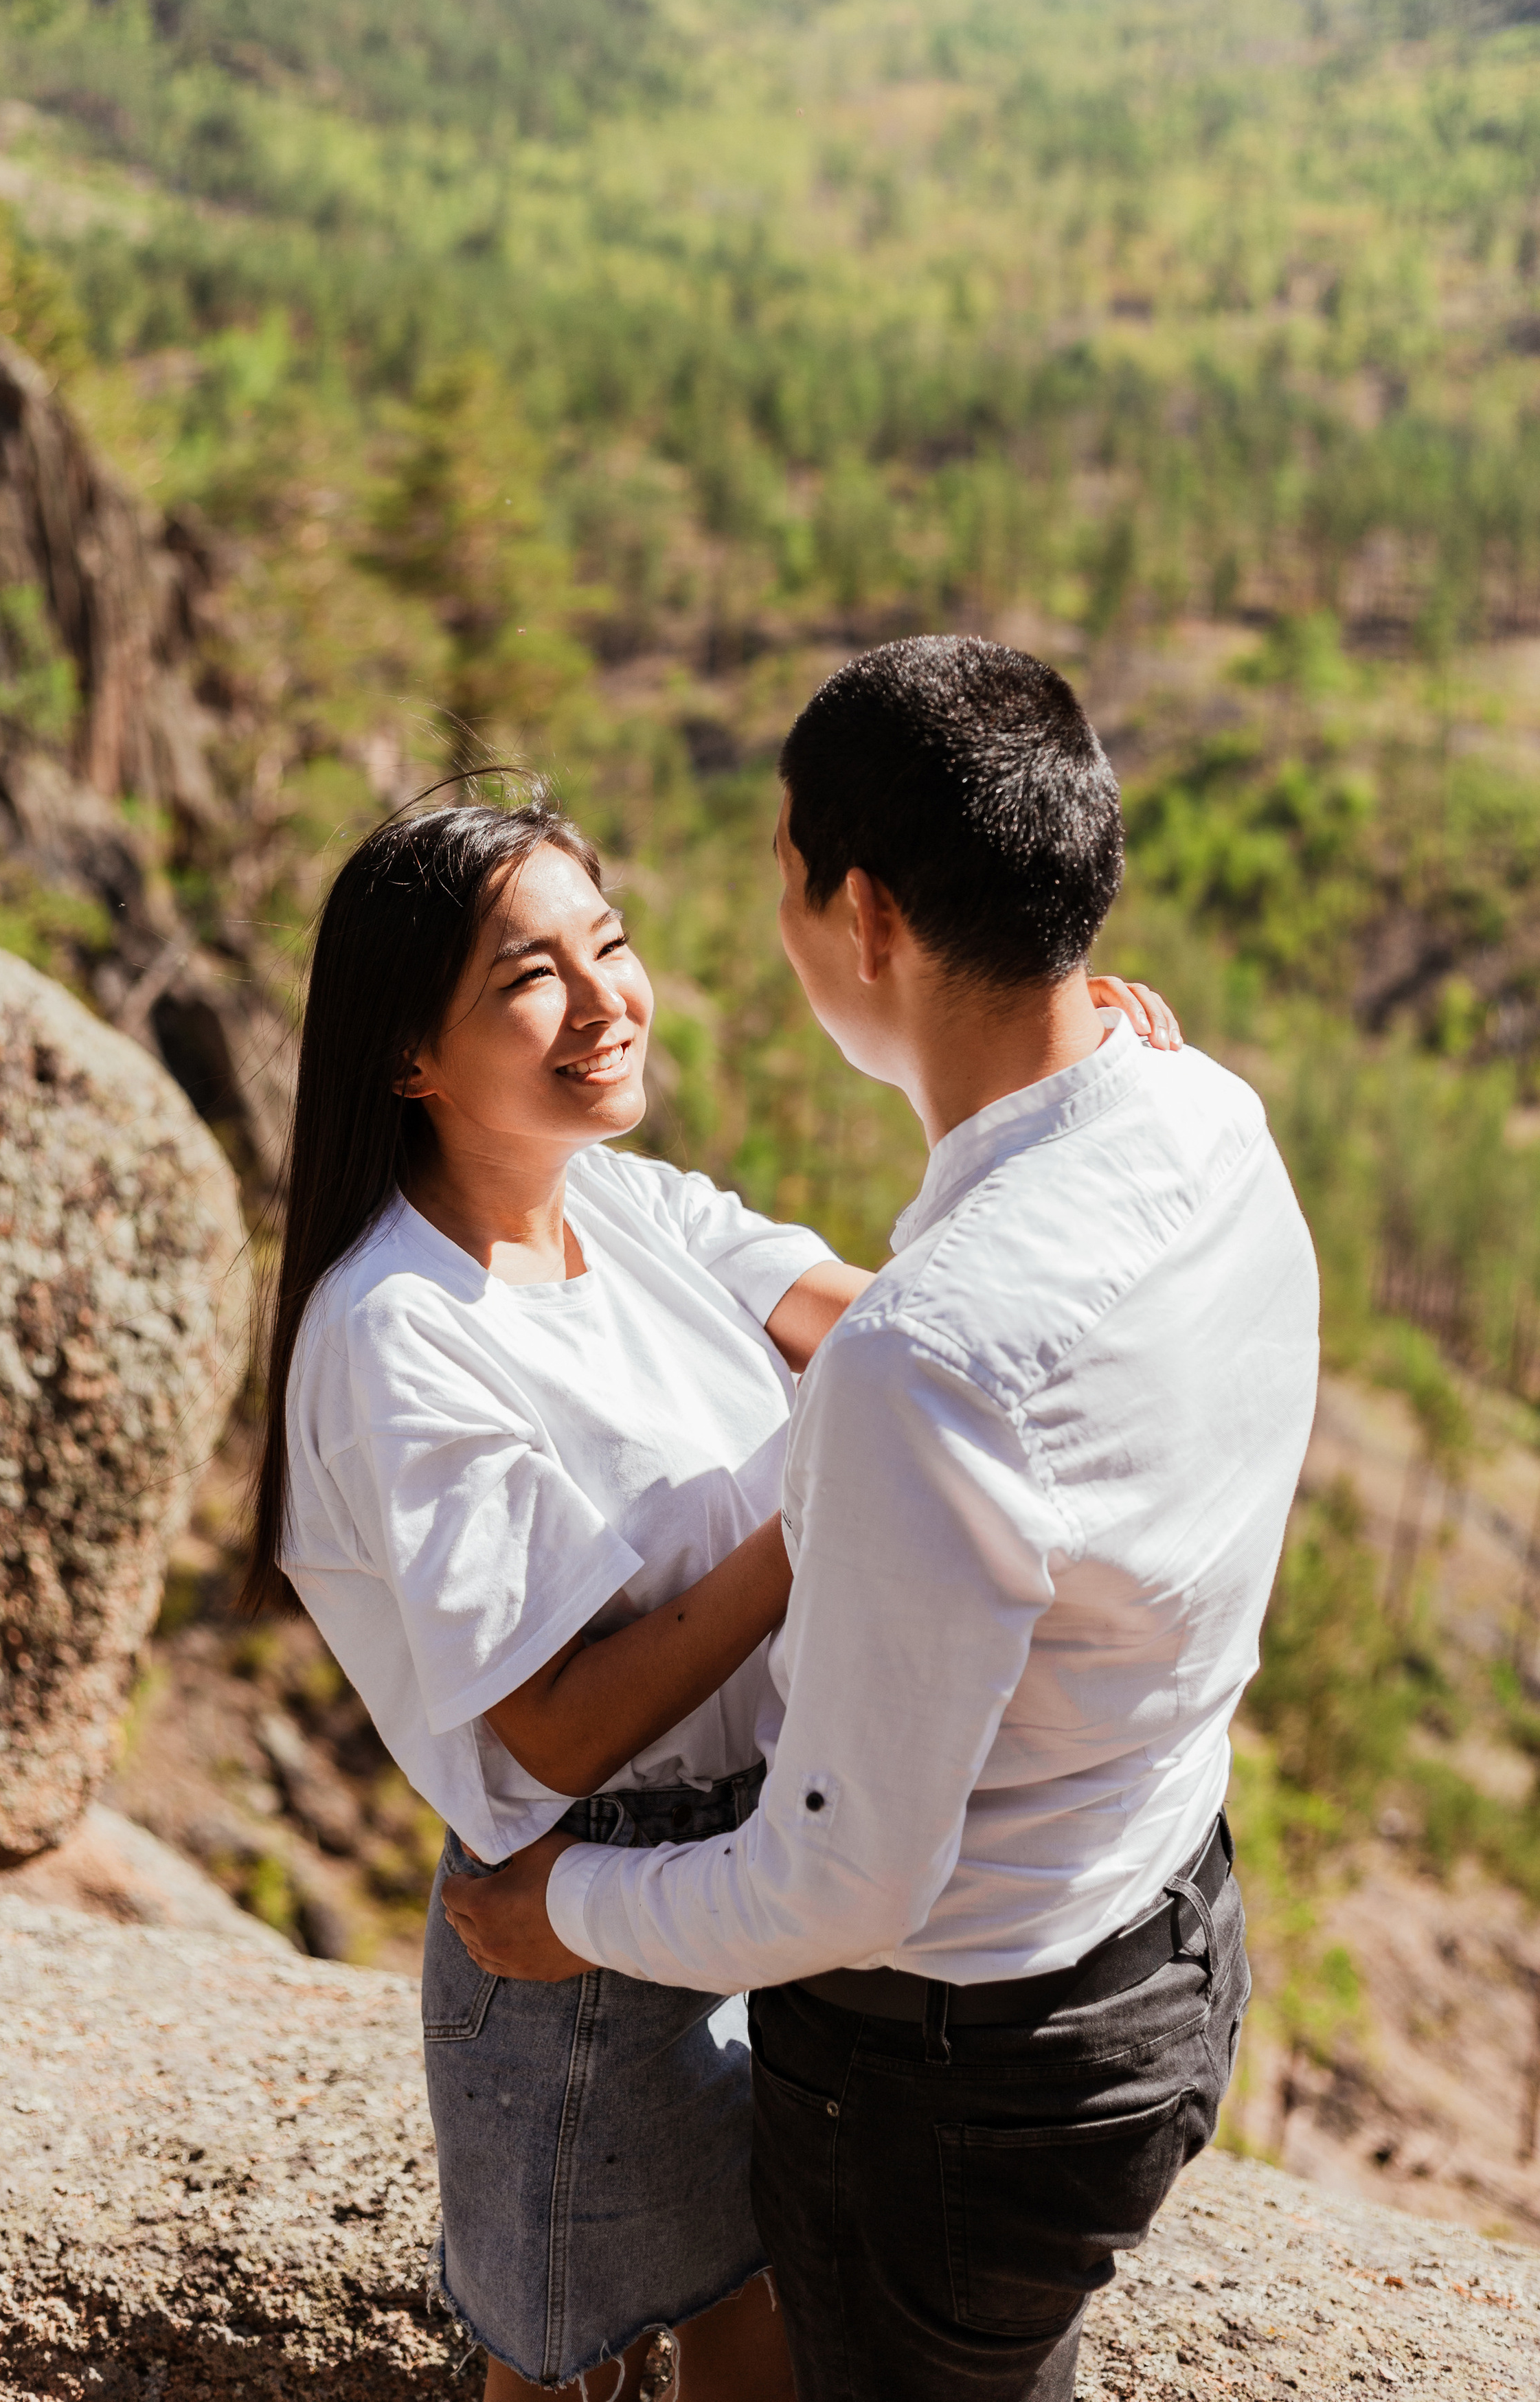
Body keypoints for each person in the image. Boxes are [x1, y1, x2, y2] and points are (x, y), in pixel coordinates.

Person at [444, 638, 1322, 2402]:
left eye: (778, 877)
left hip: (957, 2078)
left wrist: (571, 1910)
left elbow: (842, 1879)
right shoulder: (1205, 1115)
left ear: (862, 919)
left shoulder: (924, 1372)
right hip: (1167, 1939)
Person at [247, 785, 1179, 2402]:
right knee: (571, 2367)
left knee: (762, 2324)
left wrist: (1079, 1107)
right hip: (579, 1930)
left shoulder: (624, 1205)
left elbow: (913, 1339)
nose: (604, 1000)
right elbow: (545, 1736)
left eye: (606, 942)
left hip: (770, 1867)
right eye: (524, 978)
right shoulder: (401, 1330)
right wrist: (819, 1520)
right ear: (408, 1056)